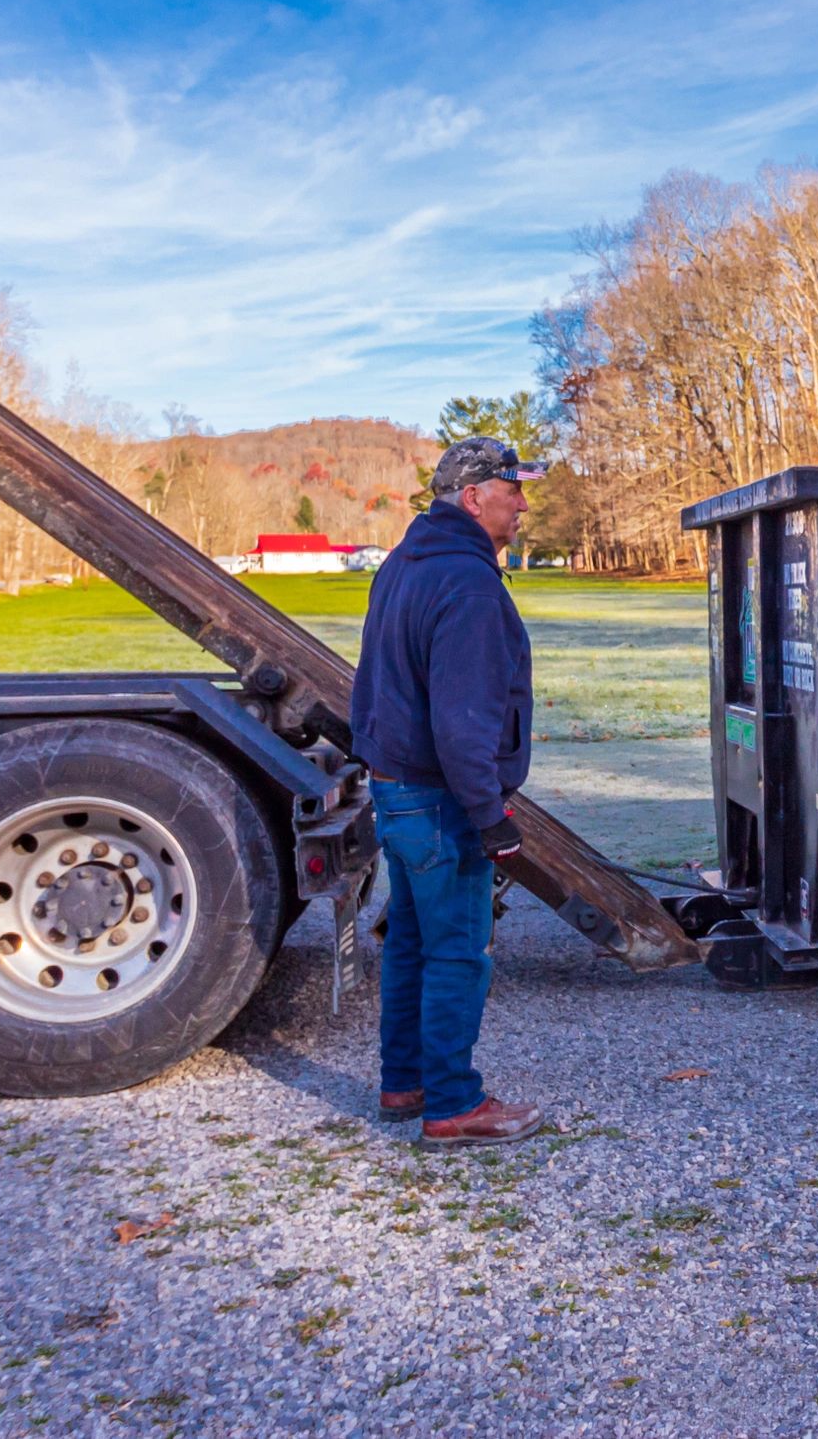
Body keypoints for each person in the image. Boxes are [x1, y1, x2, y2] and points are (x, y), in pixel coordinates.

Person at [350, 436, 548, 1148]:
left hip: (398, 791)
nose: (522, 503)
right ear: (473, 497)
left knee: (409, 941)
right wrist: (489, 816)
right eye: (513, 488)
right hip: (439, 800)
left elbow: (372, 686)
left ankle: (404, 1080)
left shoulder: (403, 565)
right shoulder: (466, 582)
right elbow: (463, 721)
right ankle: (454, 1105)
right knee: (460, 949)